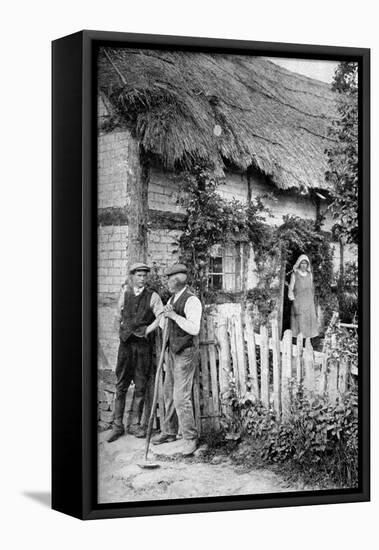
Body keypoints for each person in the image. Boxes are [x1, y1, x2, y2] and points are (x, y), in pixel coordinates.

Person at [106, 262, 164, 443]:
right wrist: (120, 331)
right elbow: (117, 314)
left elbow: (161, 316)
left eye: (144, 275)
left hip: (142, 347)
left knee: (140, 386)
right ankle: (117, 426)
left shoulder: (153, 296)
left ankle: (134, 425)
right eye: (138, 275)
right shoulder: (125, 293)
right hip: (126, 346)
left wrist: (148, 330)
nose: (142, 278)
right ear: (132, 276)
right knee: (121, 385)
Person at [152, 264, 202, 456]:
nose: (166, 282)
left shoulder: (192, 301)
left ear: (176, 280)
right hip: (172, 352)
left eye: (168, 279)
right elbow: (168, 326)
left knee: (181, 397)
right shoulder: (172, 299)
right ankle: (169, 432)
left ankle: (190, 438)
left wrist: (173, 315)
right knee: (167, 392)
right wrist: (165, 317)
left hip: (186, 353)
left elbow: (193, 329)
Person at [288, 254, 319, 339]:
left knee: (309, 323)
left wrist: (312, 300)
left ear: (308, 265)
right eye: (302, 263)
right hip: (299, 302)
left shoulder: (310, 275)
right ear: (299, 264)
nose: (304, 265)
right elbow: (291, 289)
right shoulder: (295, 275)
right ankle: (300, 343)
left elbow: (311, 288)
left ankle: (309, 343)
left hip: (309, 303)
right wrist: (293, 300)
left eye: (305, 263)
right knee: (300, 324)